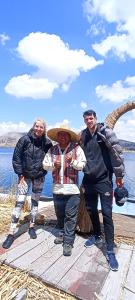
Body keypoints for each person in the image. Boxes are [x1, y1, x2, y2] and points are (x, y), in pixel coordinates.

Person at [80, 109, 125, 271]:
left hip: (104, 180)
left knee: (107, 213)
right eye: (86, 119)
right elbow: (75, 150)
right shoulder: (82, 135)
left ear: (95, 118)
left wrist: (119, 176)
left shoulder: (105, 132)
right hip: (88, 180)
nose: (89, 121)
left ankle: (110, 249)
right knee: (91, 209)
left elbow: (117, 154)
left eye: (91, 118)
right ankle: (97, 235)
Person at [2, 118, 52, 249]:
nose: (38, 129)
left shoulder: (47, 143)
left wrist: (45, 172)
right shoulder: (24, 140)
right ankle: (11, 233)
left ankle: (32, 226)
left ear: (44, 129)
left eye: (41, 127)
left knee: (35, 203)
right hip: (25, 177)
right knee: (19, 203)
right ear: (33, 127)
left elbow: (52, 157)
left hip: (39, 177)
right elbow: (16, 158)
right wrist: (20, 175)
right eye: (37, 126)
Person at [43, 127, 86, 256]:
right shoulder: (52, 150)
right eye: (60, 135)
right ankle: (62, 233)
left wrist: (72, 161)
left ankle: (68, 242)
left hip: (72, 189)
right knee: (60, 215)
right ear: (57, 137)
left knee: (70, 216)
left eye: (65, 135)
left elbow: (82, 164)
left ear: (69, 137)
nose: (62, 137)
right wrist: (53, 166)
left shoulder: (76, 149)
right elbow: (44, 164)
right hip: (57, 189)